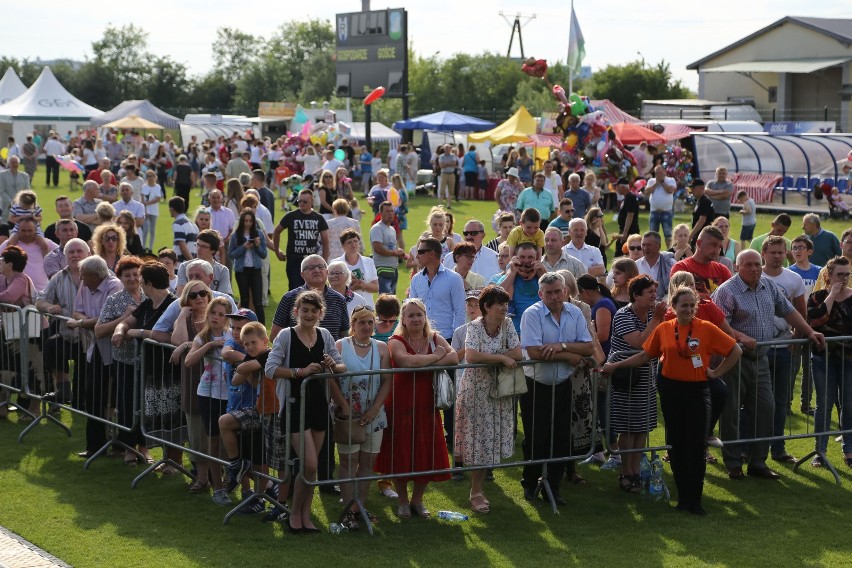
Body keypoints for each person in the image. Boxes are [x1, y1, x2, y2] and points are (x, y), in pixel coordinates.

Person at [604, 286, 742, 515]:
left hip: (697, 391)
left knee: (696, 446)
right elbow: (645, 355)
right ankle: (682, 498)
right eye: (682, 305)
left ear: (695, 306)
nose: (687, 309)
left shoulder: (706, 328)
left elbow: (735, 350)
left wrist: (716, 373)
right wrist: (615, 365)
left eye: (691, 305)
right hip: (670, 390)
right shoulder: (665, 328)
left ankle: (694, 500)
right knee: (677, 445)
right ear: (674, 307)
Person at [712, 249, 825, 480]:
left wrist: (809, 331)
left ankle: (757, 462)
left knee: (766, 410)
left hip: (761, 359)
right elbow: (717, 325)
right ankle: (733, 463)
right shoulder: (726, 291)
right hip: (734, 360)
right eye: (748, 265)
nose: (754, 269)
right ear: (737, 266)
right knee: (731, 412)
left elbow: (789, 311)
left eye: (756, 264)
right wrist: (740, 336)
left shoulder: (768, 286)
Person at [265, 290, 345, 532]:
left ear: (320, 313)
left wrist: (333, 365)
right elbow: (270, 369)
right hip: (293, 405)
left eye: (313, 311)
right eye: (304, 310)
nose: (309, 314)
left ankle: (305, 516)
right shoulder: (286, 336)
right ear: (296, 312)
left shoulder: (325, 335)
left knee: (312, 469)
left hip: (319, 405)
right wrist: (299, 372)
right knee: (309, 465)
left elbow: (341, 366)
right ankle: (293, 514)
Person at [374, 298, 456, 518]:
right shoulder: (395, 340)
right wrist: (437, 357)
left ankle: (417, 501)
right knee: (401, 451)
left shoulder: (435, 337)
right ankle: (402, 501)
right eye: (410, 315)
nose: (416, 319)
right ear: (403, 319)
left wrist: (428, 360)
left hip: (427, 404)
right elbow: (404, 361)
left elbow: (454, 357)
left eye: (419, 314)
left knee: (426, 451)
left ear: (425, 317)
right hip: (400, 404)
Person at [519, 272, 593, 505]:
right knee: (536, 437)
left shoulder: (575, 313)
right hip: (535, 385)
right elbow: (534, 352)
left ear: (565, 291)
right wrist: (570, 354)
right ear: (541, 294)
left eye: (558, 291)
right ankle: (530, 483)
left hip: (563, 383)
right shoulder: (531, 314)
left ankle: (553, 484)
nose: (554, 296)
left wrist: (560, 347)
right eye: (548, 293)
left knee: (561, 437)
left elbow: (588, 347)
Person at [454, 285, 521, 513]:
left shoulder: (508, 324)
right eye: (499, 304)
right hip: (475, 391)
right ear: (486, 307)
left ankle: (480, 487)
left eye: (505, 303)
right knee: (477, 442)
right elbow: (472, 356)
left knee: (490, 440)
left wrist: (495, 358)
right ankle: (476, 491)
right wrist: (502, 358)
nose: (504, 308)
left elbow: (518, 352)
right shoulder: (474, 327)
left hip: (498, 392)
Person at [112, 261, 181, 473]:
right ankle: (165, 460)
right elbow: (127, 322)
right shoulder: (147, 303)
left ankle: (174, 462)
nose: (139, 284)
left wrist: (140, 333)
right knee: (157, 415)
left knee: (171, 416)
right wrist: (120, 330)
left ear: (148, 283)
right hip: (149, 371)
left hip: (169, 371)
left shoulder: (174, 305)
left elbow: (175, 338)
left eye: (141, 280)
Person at [332, 305, 392, 530]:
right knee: (348, 461)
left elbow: (387, 380)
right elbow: (331, 380)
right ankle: (348, 509)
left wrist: (375, 408)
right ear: (353, 325)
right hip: (348, 415)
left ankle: (359, 508)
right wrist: (343, 404)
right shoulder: (340, 346)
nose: (367, 327)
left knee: (368, 462)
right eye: (361, 322)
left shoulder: (383, 348)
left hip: (374, 414)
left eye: (370, 322)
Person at [608, 275, 667, 492]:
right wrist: (657, 320)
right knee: (628, 428)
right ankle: (626, 472)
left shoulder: (654, 314)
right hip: (626, 379)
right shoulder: (623, 315)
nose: (654, 296)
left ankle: (636, 471)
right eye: (650, 292)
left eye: (654, 292)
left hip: (647, 378)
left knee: (642, 428)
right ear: (636, 295)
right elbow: (640, 343)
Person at [93, 256, 149, 466]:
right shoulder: (115, 300)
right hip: (124, 361)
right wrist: (123, 319)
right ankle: (128, 449)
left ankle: (144, 448)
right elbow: (99, 330)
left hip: (148, 362)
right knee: (126, 405)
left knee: (145, 405)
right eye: (128, 275)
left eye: (136, 274)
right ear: (120, 278)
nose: (133, 278)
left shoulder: (149, 297)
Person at [67, 256, 122, 458]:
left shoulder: (114, 286)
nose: (80, 278)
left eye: (84, 275)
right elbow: (76, 311)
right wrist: (88, 322)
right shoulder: (85, 284)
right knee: (94, 397)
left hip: (115, 351)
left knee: (117, 399)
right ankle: (95, 446)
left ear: (96, 276)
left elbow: (105, 321)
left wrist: (84, 324)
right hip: (95, 349)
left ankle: (121, 446)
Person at [761, 235, 808, 463]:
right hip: (758, 349)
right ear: (764, 253)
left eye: (782, 252)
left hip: (783, 350)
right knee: (754, 402)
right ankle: (749, 448)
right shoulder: (753, 274)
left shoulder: (794, 278)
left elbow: (801, 313)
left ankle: (778, 449)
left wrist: (794, 344)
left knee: (781, 401)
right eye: (773, 252)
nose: (778, 256)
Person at [807, 256, 852, 468]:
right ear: (828, 275)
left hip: (849, 360)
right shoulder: (816, 298)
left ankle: (849, 449)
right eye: (839, 275)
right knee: (823, 405)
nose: (843, 279)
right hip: (822, 358)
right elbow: (815, 321)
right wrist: (832, 296)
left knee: (849, 405)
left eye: (847, 274)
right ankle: (820, 450)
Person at [409, 237, 466, 342]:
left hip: (448, 338)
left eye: (421, 252)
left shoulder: (454, 279)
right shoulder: (416, 280)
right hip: (422, 339)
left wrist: (457, 339)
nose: (417, 256)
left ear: (432, 254)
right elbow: (411, 310)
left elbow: (460, 311)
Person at [274, 189, 329, 290]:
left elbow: (325, 241)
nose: (301, 204)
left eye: (305, 201)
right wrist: (277, 251)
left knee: (313, 289)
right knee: (295, 289)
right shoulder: (291, 216)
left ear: (311, 201)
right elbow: (277, 231)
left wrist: (324, 261)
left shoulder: (318, 218)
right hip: (294, 260)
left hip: (312, 261)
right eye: (299, 201)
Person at [228, 209, 267, 324]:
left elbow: (263, 254)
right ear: (242, 222)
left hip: (255, 270)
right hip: (241, 270)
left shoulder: (259, 234)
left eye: (250, 221)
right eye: (246, 221)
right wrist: (244, 247)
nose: (248, 223)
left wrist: (258, 245)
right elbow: (231, 254)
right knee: (244, 299)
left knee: (257, 301)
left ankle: (261, 327)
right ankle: (243, 326)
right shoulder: (236, 236)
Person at [670, 226, 732, 298]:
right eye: (713, 245)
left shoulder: (723, 270)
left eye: (720, 247)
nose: (717, 251)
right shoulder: (682, 267)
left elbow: (731, 297)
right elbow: (681, 298)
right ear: (699, 243)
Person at [0, 218, 58, 294]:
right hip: (15, 293)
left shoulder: (46, 243)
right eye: (23, 230)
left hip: (41, 293)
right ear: (18, 231)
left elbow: (63, 254)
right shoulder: (8, 244)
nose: (27, 234)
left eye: (30, 231)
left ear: (35, 231)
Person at [175, 230, 232, 296]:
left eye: (204, 246)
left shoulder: (223, 271)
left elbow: (222, 297)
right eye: (197, 245)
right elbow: (180, 294)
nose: (199, 248)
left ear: (213, 250)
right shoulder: (184, 266)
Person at [333, 228, 378, 310]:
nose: (353, 244)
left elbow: (376, 287)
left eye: (355, 241)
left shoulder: (369, 261)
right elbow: (332, 289)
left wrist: (362, 285)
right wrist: (351, 288)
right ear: (343, 246)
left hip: (367, 307)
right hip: (344, 308)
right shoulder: (336, 264)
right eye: (349, 242)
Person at [371, 201, 406, 294]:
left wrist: (400, 253)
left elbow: (392, 248)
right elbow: (378, 248)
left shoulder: (392, 229)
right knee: (386, 299)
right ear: (380, 213)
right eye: (387, 211)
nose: (390, 214)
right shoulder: (377, 228)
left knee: (392, 299)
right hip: (382, 269)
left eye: (392, 211)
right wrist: (395, 253)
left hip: (393, 269)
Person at [637, 231, 676, 301]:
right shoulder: (636, 265)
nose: (645, 248)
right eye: (643, 245)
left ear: (658, 246)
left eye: (649, 245)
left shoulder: (671, 263)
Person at [645, 165, 677, 248]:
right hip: (654, 212)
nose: (658, 175)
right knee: (652, 235)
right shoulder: (651, 181)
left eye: (660, 173)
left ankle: (670, 251)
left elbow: (671, 190)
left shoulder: (670, 180)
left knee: (668, 234)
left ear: (665, 172)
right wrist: (656, 183)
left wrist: (662, 182)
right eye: (656, 173)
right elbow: (647, 191)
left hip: (666, 212)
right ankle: (653, 252)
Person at [0, 156, 31, 224]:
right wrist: (11, 203)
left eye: (16, 163)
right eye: (12, 162)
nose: (14, 164)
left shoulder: (25, 176)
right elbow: (1, 191)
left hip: (22, 207)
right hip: (6, 206)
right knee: (5, 225)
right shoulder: (2, 175)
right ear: (9, 164)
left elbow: (28, 191)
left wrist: (21, 203)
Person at [614, 178, 640, 253]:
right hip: (626, 230)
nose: (616, 189)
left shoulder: (630, 197)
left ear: (622, 187)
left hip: (630, 231)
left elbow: (630, 215)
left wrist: (625, 233)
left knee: (622, 253)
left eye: (617, 187)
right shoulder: (627, 197)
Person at [168, 197, 198, 263]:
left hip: (181, 263)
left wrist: (191, 262)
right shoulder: (193, 224)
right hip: (192, 260)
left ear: (172, 209)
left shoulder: (178, 224)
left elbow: (182, 246)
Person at [688, 179, 714, 245]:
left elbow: (702, 220)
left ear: (701, 188)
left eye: (693, 188)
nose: (692, 191)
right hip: (699, 234)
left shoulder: (705, 201)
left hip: (704, 235)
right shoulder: (699, 200)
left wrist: (690, 236)